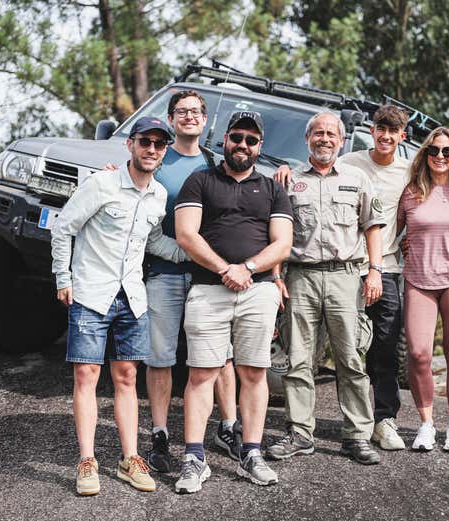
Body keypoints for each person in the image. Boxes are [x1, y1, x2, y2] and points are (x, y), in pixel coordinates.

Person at [51, 117, 189, 495]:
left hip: (132, 297)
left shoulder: (158, 195)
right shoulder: (101, 184)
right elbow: (64, 227)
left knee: (127, 378)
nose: (152, 149)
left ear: (165, 152)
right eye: (145, 141)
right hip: (92, 295)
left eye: (160, 144)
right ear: (130, 144)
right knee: (87, 377)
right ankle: (87, 461)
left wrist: (190, 253)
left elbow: (155, 241)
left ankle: (130, 459)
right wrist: (63, 277)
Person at [274, 104, 411, 450]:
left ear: (342, 140)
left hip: (346, 277)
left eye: (331, 134)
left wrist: (375, 272)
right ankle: (300, 433)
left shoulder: (357, 177)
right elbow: (277, 233)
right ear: (307, 139)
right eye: (318, 133)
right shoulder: (291, 181)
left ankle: (357, 435)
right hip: (300, 277)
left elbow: (374, 228)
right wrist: (276, 277)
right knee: (300, 359)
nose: (324, 139)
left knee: (351, 358)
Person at [172, 111, 293, 493]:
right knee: (201, 374)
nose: (243, 144)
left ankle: (251, 453)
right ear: (225, 139)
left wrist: (249, 268)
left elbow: (283, 243)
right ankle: (194, 459)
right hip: (209, 289)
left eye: (251, 140)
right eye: (237, 137)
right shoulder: (200, 180)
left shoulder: (273, 189)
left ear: (260, 147)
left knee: (254, 373)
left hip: (258, 291)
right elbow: (186, 235)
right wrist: (227, 269)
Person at [142, 90, 240, 474]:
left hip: (207, 280)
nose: (189, 117)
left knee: (222, 356)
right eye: (181, 111)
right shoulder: (155, 160)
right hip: (163, 274)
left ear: (205, 120)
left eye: (196, 111)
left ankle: (228, 426)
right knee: (161, 357)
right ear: (170, 119)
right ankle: (161, 434)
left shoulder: (215, 163)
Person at [396, 127, 449, 453]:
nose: (440, 157)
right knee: (418, 354)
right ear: (425, 154)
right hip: (418, 279)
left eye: (447, 152)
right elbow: (391, 232)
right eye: (434, 151)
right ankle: (426, 424)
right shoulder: (410, 192)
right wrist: (405, 244)